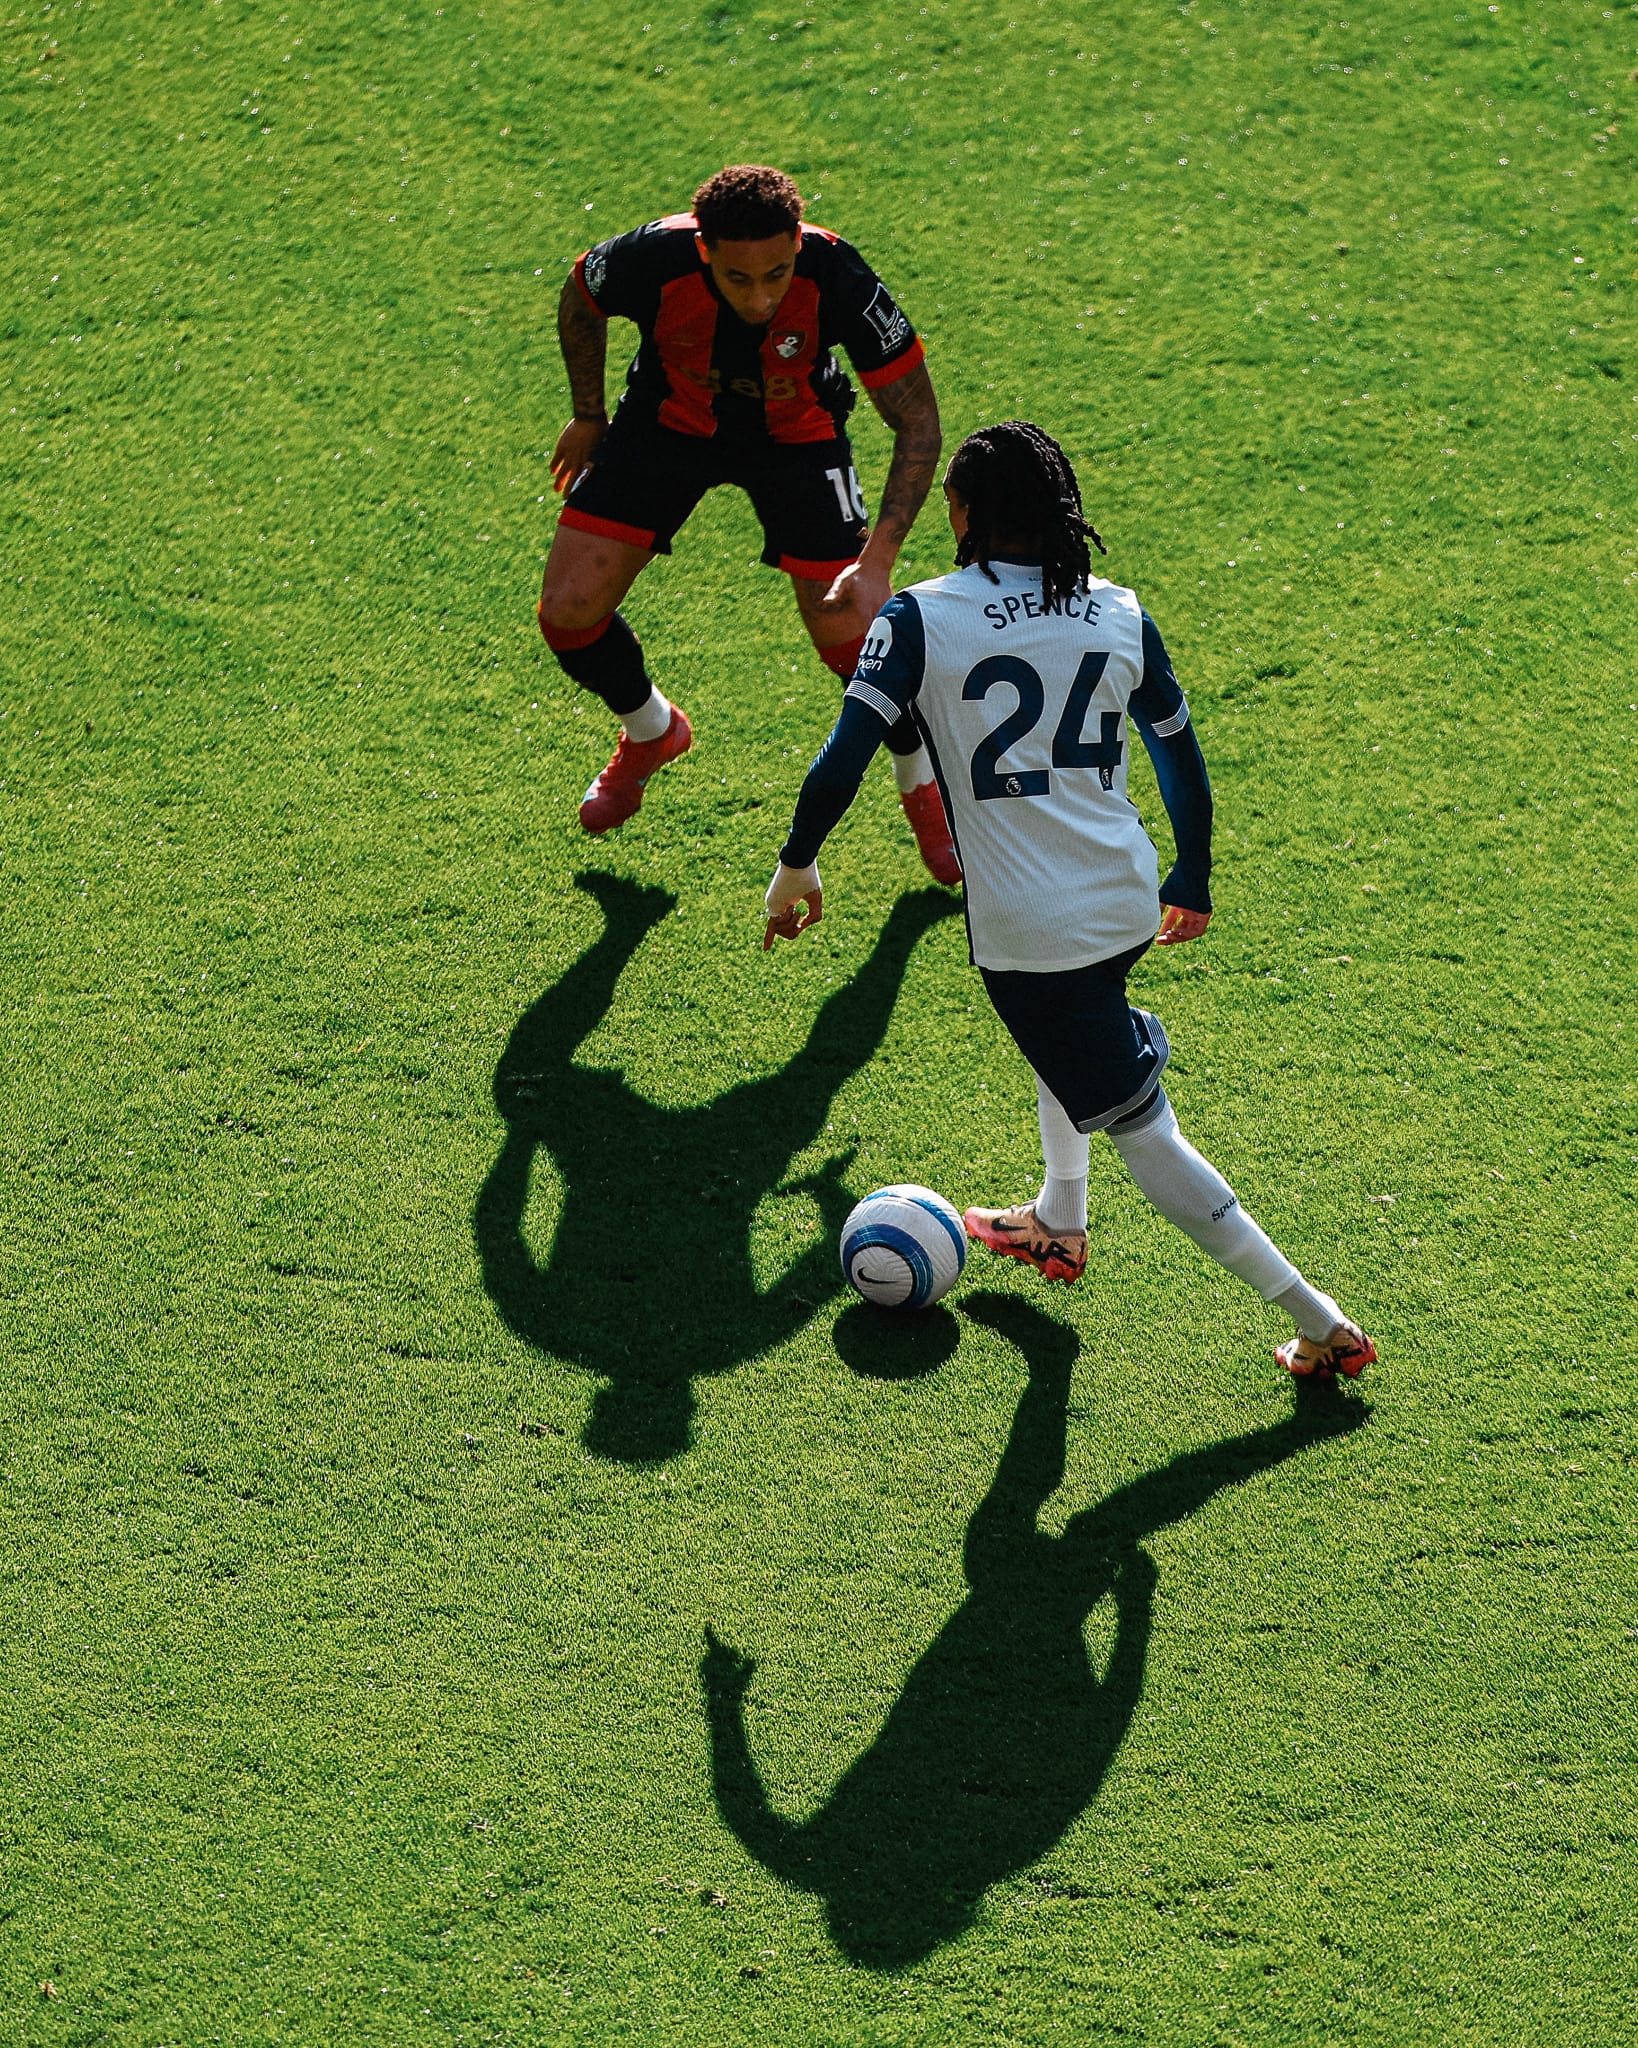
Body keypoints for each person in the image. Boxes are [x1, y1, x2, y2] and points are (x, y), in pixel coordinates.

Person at [761, 421, 1375, 1380]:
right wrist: (1194, 875)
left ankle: (1320, 1320)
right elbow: (1180, 756)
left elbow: (844, 755)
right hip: (1124, 894)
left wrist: (798, 861)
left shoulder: (921, 619)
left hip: (1032, 934)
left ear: (960, 515)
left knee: (1146, 1131)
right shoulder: (1121, 611)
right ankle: (1058, 1218)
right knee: (1068, 1036)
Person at [538, 163, 958, 884]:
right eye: (739, 279)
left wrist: (879, 560)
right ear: (704, 250)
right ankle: (652, 731)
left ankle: (924, 788)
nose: (762, 296)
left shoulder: (839, 275)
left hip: (797, 439)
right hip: (665, 428)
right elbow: (581, 297)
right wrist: (588, 412)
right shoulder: (654, 255)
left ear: (799, 241)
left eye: (778, 274)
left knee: (851, 640)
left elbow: (918, 422)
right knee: (568, 615)